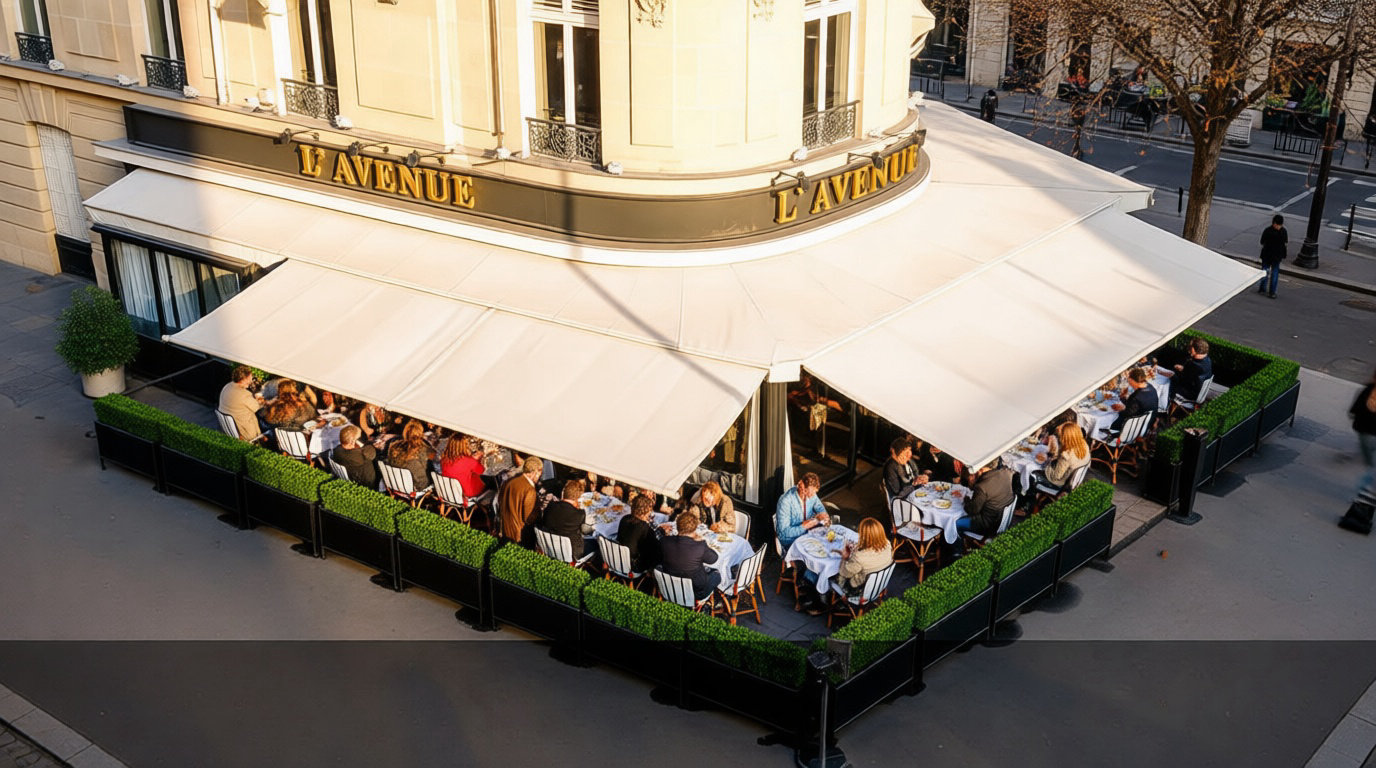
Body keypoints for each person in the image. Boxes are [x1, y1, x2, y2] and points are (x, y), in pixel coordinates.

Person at [1339, 368, 1376, 534]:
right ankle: (1365, 497)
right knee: (1373, 470)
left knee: (1371, 466)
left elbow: (1353, 412)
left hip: (1364, 435)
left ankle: (1365, 494)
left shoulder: (1367, 391)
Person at [659, 509, 719, 602]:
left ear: (677, 526)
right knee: (717, 574)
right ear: (695, 529)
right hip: (695, 592)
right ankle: (707, 603)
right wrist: (701, 542)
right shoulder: (700, 546)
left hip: (670, 587)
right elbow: (714, 558)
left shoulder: (664, 541)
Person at [958, 461, 1016, 540]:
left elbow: (972, 510)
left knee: (956, 523)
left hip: (988, 525)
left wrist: (966, 499)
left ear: (980, 469)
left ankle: (958, 547)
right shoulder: (1006, 472)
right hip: (1002, 518)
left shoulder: (981, 487)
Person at [774, 472, 830, 551]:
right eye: (810, 494)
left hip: (807, 533)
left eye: (814, 493)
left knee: (829, 543)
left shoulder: (812, 493)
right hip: (790, 540)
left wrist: (823, 516)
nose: (812, 496)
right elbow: (783, 532)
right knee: (818, 550)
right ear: (802, 488)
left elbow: (820, 508)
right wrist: (804, 526)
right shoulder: (785, 501)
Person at [836, 518, 894, 593]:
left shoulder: (859, 557)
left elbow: (844, 573)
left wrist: (845, 558)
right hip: (881, 582)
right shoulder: (887, 544)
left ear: (864, 536)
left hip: (862, 588)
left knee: (838, 576)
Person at [538, 480, 593, 558]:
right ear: (579, 498)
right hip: (571, 553)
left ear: (564, 493)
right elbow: (585, 531)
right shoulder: (579, 514)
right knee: (594, 543)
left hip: (550, 547)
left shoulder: (550, 506)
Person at [499, 456, 544, 545]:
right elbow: (528, 518)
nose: (540, 476)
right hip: (520, 535)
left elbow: (500, 500)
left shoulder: (510, 482)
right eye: (540, 473)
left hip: (506, 529)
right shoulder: (529, 490)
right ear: (535, 472)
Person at [1037, 422, 1091, 490]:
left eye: (1061, 436)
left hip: (1061, 483)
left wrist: (1048, 462)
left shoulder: (1066, 455)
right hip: (1078, 478)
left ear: (1066, 438)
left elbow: (1055, 476)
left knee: (1034, 472)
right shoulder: (1084, 445)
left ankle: (1034, 493)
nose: (1060, 438)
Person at [385, 420, 434, 492]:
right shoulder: (424, 449)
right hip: (418, 489)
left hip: (396, 486)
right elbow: (433, 463)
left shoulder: (394, 447)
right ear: (421, 433)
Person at [617, 495, 662, 573]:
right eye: (650, 510)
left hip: (619, 558)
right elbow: (653, 548)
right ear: (645, 511)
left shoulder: (625, 518)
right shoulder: (644, 527)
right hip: (634, 565)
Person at [218, 365, 262, 441]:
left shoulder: (227, 386)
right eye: (251, 377)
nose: (252, 379)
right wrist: (261, 399)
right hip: (246, 433)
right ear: (245, 379)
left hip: (230, 428)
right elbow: (257, 407)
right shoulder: (244, 394)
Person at [439, 436, 488, 500]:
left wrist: (472, 459)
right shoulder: (469, 461)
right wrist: (478, 459)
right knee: (489, 481)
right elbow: (482, 471)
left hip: (451, 491)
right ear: (464, 447)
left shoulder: (444, 459)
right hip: (468, 493)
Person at [1111, 367, 1159, 432]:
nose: (1129, 382)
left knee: (1112, 421)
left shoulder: (1135, 397)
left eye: (1129, 380)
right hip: (1150, 419)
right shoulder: (1150, 386)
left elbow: (1128, 414)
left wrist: (1122, 409)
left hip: (1138, 425)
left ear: (1131, 380)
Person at [332, 425, 377, 489]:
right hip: (367, 484)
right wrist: (369, 444)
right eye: (359, 438)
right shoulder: (362, 455)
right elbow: (372, 453)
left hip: (352, 479)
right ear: (352, 441)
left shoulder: (337, 451)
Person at [1171, 338, 1213, 403]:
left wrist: (1173, 375)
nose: (1189, 349)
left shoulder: (1194, 365)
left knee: (1168, 384)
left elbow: (1183, 380)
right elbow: (1193, 375)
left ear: (1195, 350)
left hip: (1191, 394)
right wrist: (1183, 369)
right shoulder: (1208, 360)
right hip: (1200, 392)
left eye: (1191, 347)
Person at [1259, 214, 1287, 298]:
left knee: (1265, 271)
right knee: (1274, 273)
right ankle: (1272, 292)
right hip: (1277, 256)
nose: (1279, 226)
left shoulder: (1267, 230)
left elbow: (1262, 241)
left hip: (1267, 254)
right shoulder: (1283, 231)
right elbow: (1285, 243)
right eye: (1279, 225)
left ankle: (1262, 288)